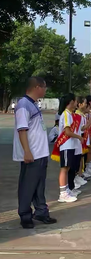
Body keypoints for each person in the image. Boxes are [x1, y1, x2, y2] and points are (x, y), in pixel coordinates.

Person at [14, 77, 56, 229]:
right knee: (28, 185)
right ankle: (25, 215)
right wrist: (27, 151)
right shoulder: (24, 105)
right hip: (31, 154)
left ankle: (41, 212)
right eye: (44, 87)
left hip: (40, 153)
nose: (45, 90)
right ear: (38, 87)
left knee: (39, 185)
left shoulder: (32, 104)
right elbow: (22, 130)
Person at [51, 93, 83, 203]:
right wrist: (79, 137)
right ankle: (63, 193)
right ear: (71, 102)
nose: (76, 103)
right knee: (64, 168)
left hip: (70, 145)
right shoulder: (65, 114)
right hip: (66, 145)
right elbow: (67, 131)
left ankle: (67, 190)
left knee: (68, 168)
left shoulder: (70, 114)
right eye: (75, 101)